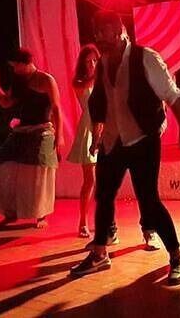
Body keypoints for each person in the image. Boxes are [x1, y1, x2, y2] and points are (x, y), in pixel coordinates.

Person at [70, 10, 180, 285]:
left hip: (142, 139)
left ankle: (176, 257)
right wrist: (98, 133)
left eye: (104, 32)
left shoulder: (145, 57)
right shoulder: (103, 63)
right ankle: (100, 253)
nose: (99, 38)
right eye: (97, 33)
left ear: (119, 30)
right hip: (113, 141)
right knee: (104, 196)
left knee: (149, 201)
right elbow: (100, 101)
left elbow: (172, 96)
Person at [0, 47, 63, 228]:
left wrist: (59, 136)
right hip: (23, 130)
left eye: (15, 66)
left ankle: (41, 214)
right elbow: (5, 102)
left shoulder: (46, 79)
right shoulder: (18, 82)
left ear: (25, 63)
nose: (14, 70)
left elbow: (56, 108)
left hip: (42, 130)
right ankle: (10, 212)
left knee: (38, 173)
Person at [68, 44, 101, 238]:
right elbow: (86, 86)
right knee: (90, 180)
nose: (92, 64)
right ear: (83, 63)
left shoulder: (103, 80)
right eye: (88, 61)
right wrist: (99, 73)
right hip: (88, 129)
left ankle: (105, 221)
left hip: (105, 128)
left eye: (95, 60)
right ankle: (83, 222)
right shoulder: (79, 82)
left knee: (105, 180)